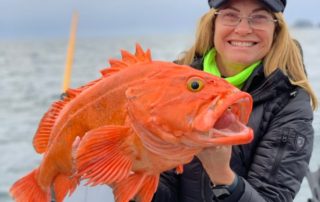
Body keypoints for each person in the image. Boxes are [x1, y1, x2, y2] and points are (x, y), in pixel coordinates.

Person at [152, 0, 318, 201]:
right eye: (230, 15)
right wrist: (127, 177)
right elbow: (162, 188)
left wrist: (223, 176)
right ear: (213, 24)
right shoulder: (174, 82)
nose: (243, 29)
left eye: (259, 17)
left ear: (276, 28)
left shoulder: (291, 103)